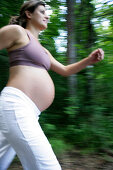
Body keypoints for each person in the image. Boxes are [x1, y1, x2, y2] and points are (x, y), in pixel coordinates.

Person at [0, 0, 104, 169]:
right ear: (29, 14)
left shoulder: (43, 50)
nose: (47, 16)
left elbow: (65, 70)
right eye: (42, 12)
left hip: (30, 112)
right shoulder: (17, 32)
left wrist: (89, 60)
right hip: (16, 105)